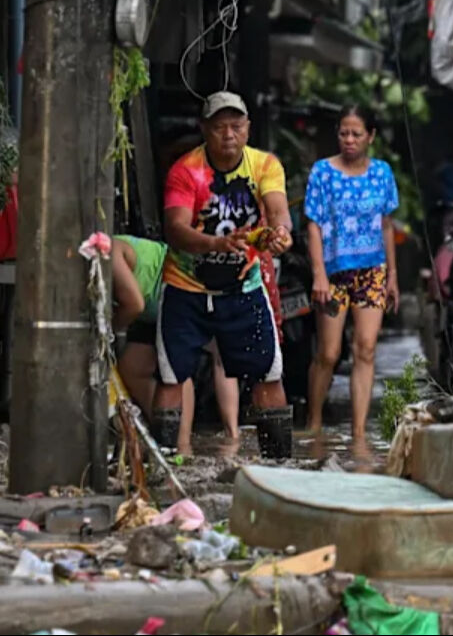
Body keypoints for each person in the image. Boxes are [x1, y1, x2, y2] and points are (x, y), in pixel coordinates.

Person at [153, 91, 293, 458]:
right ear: (204, 130)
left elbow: (278, 209)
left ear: (248, 129)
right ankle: (164, 460)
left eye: (236, 126)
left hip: (243, 287)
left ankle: (278, 462)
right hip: (186, 287)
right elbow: (175, 228)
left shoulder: (264, 165)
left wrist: (280, 234)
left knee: (268, 372)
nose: (228, 134)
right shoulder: (186, 170)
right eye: (219, 127)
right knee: (171, 375)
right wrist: (215, 244)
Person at [304, 104, 400, 460]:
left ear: (370, 136)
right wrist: (318, 274)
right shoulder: (322, 173)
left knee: (366, 348)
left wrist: (392, 276)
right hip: (333, 273)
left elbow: (386, 224)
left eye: (356, 133)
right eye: (344, 132)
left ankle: (358, 434)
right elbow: (312, 224)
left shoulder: (382, 173)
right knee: (329, 353)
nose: (349, 139)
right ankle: (313, 423)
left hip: (372, 271)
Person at [113, 235, 241, 452]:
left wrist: (109, 327)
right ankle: (164, 428)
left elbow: (134, 304)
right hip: (153, 307)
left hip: (173, 289)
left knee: (176, 370)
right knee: (132, 366)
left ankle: (183, 445)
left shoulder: (108, 249)